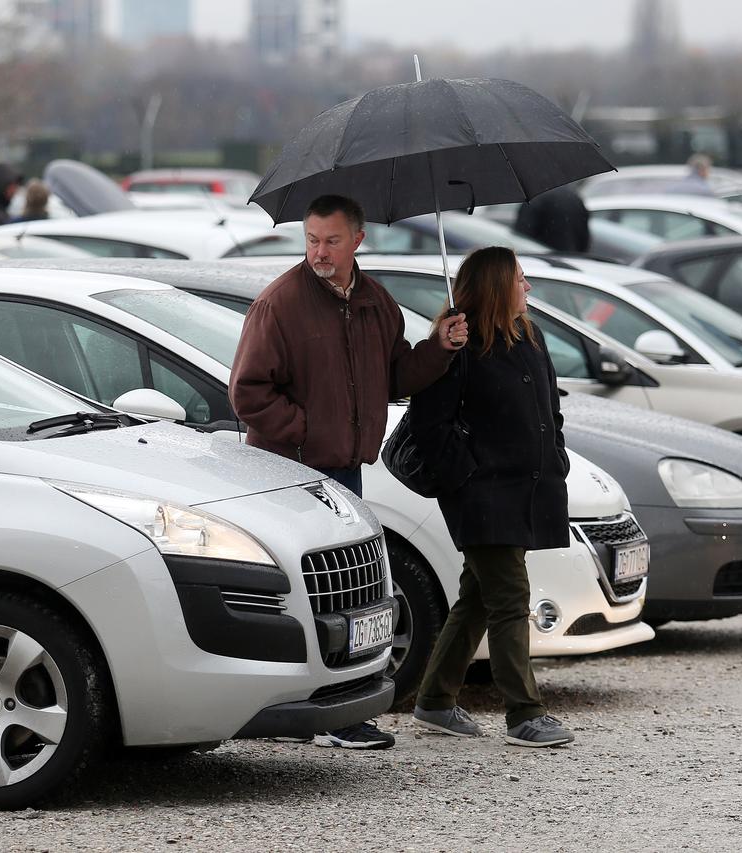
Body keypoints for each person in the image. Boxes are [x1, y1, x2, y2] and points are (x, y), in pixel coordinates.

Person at [229, 194, 468, 749]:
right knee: (311, 597)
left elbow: (398, 377)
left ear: (357, 240)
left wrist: (441, 346)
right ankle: (320, 716)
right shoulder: (280, 303)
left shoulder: (375, 302)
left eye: (331, 241)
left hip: (347, 474)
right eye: (311, 239)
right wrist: (311, 430)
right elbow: (248, 393)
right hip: (289, 474)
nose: (319, 252)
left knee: (352, 596)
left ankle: (341, 710)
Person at [409, 245, 574, 749]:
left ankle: (434, 701)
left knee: (478, 597)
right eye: (520, 279)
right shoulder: (459, 341)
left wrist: (557, 455)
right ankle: (524, 712)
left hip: (525, 488)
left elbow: (551, 409)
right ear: (498, 286)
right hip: (481, 494)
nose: (528, 287)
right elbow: (428, 425)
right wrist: (468, 474)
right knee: (509, 598)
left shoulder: (530, 336)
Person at [512, 185, 590, 253]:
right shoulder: (575, 197)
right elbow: (584, 237)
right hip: (572, 258)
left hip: (541, 260)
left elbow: (522, 236)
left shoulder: (535, 197)